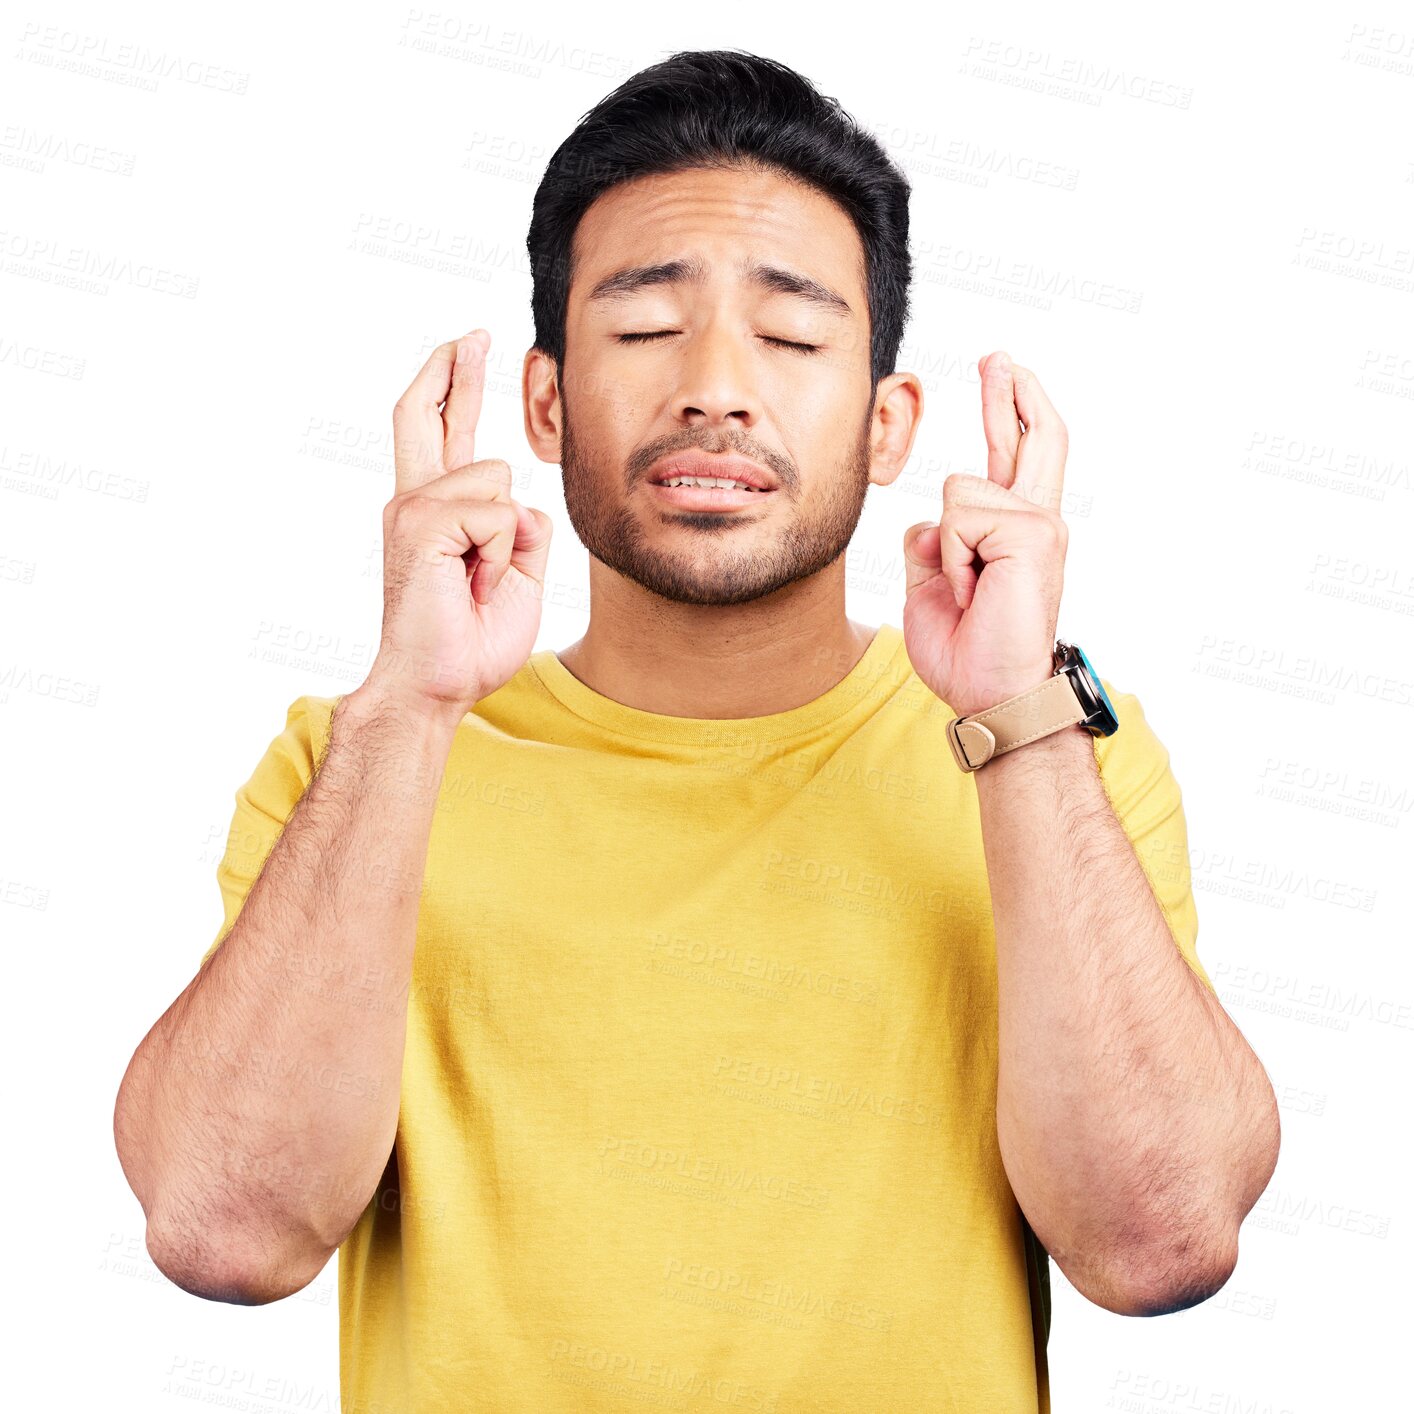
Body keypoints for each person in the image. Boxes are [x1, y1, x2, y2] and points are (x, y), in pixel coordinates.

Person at [113, 48, 1280, 1414]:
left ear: (889, 420)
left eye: (790, 339)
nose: (717, 387)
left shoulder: (1052, 751)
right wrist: (409, 706)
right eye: (645, 328)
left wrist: (1020, 717)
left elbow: (1158, 1242)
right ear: (544, 404)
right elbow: (222, 1230)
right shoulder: (359, 763)